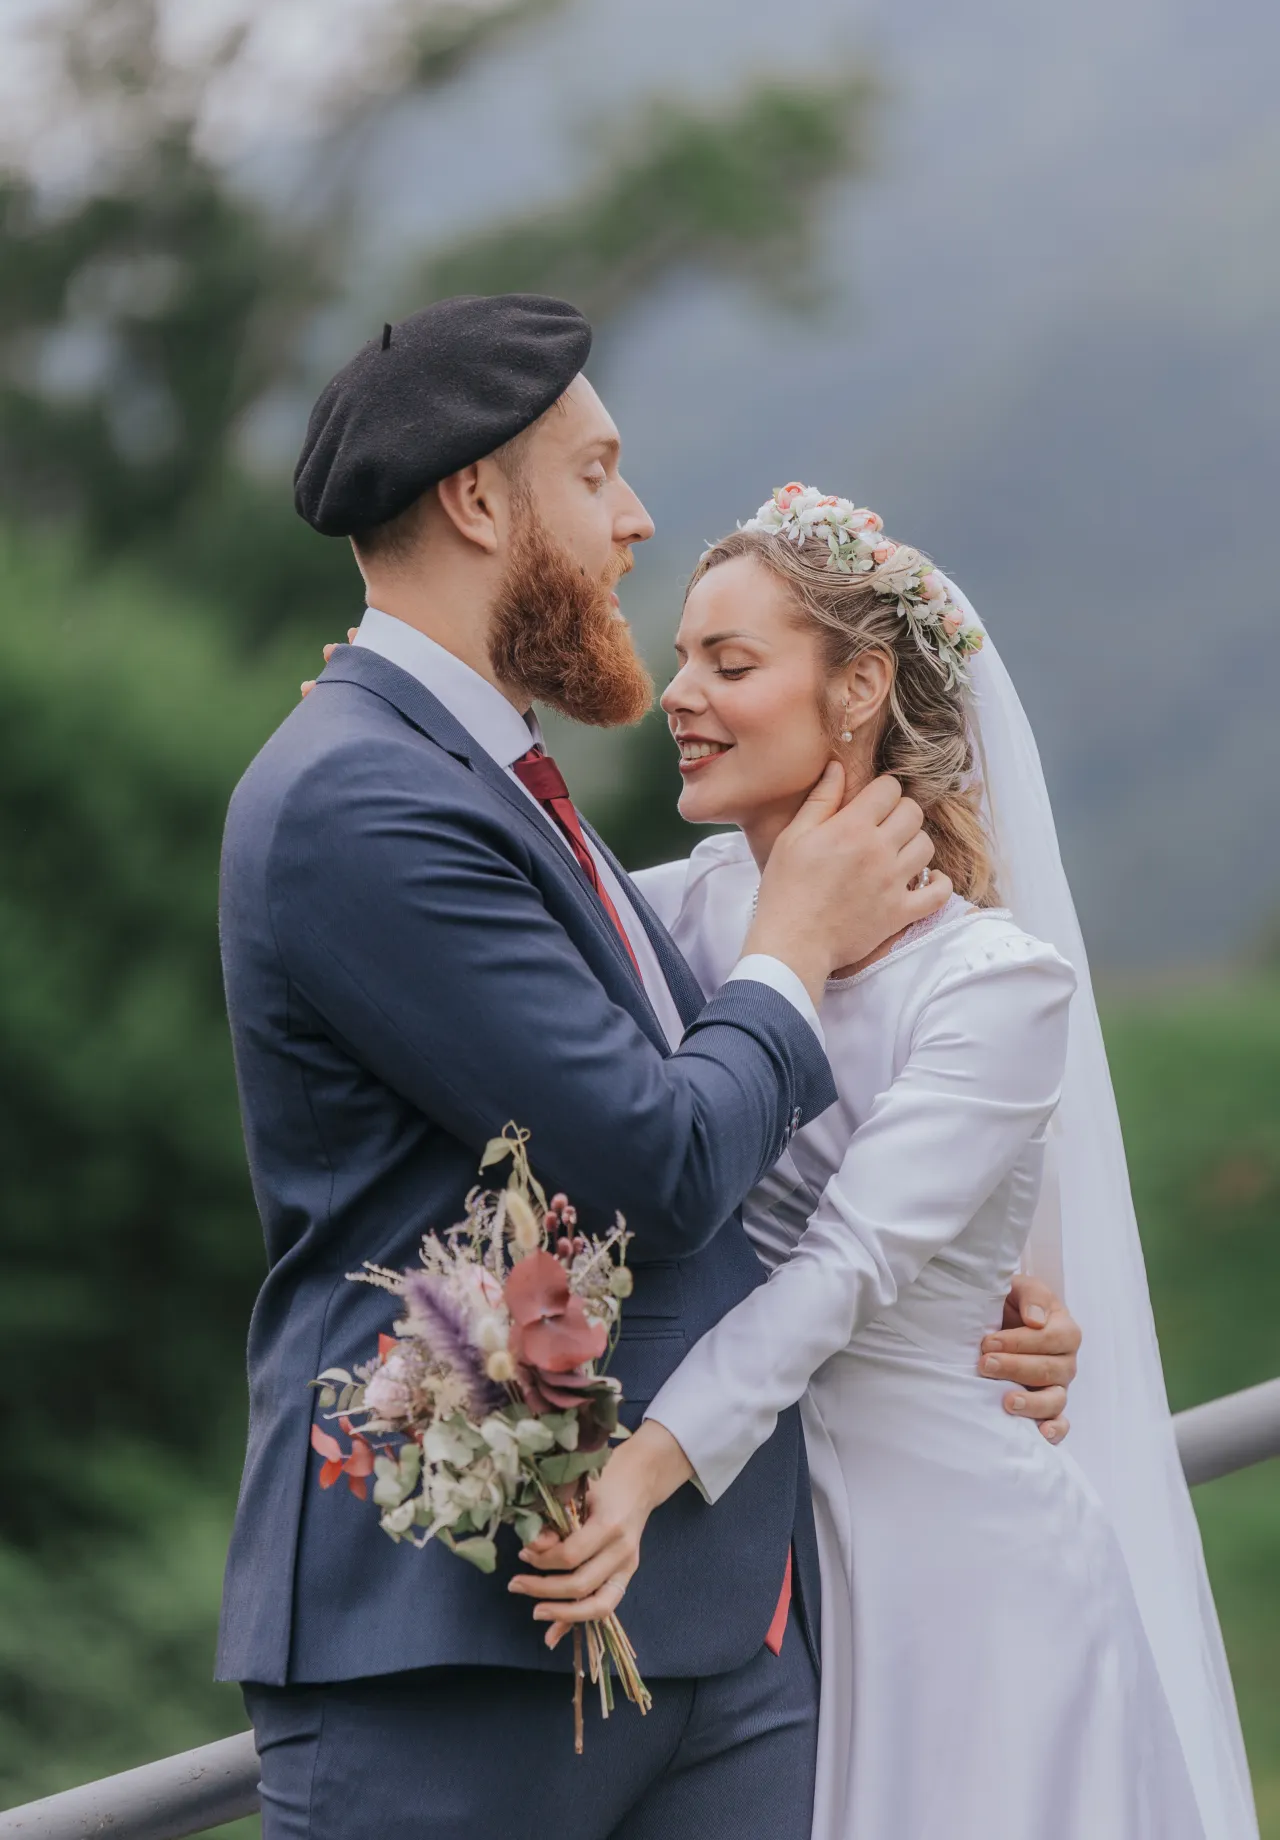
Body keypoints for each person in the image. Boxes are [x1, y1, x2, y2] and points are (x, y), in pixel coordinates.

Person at [221, 301, 1080, 1840]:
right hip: (456, 1637)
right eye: (596, 473)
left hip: (726, 1618)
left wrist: (975, 1287)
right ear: (479, 501)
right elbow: (662, 1158)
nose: (635, 519)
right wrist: (798, 945)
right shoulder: (363, 792)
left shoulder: (497, 780)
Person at [514, 489, 1259, 1839]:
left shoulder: (994, 984)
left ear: (856, 689)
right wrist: (400, 717)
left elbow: (848, 1267)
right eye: (684, 658)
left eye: (730, 663)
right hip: (781, 1569)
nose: (678, 695)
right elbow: (516, 898)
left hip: (965, 1576)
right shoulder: (689, 912)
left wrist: (642, 1469)